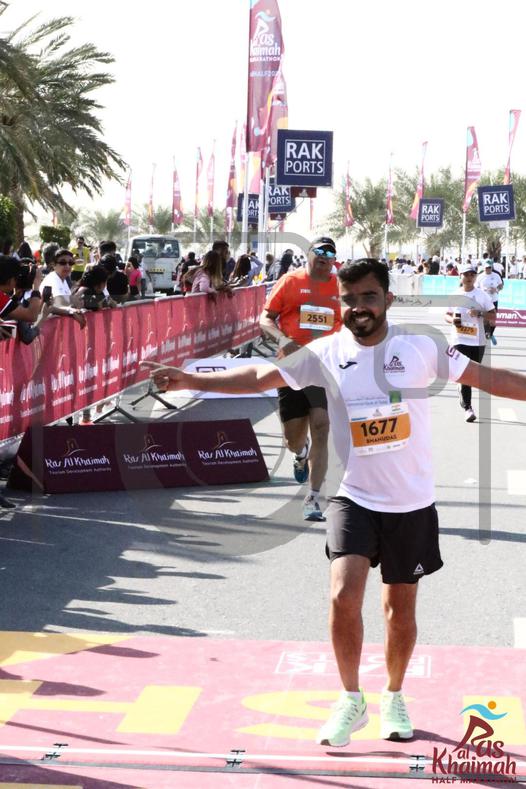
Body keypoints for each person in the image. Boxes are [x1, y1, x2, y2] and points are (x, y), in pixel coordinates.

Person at [142, 256, 526, 747]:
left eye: (369, 297)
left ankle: (393, 695)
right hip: (353, 496)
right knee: (343, 596)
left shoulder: (421, 347)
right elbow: (260, 378)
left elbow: (487, 377)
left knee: (399, 610)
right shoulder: (325, 351)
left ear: (388, 299)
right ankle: (350, 699)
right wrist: (191, 379)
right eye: (350, 299)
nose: (359, 307)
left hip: (410, 501)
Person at [260, 236, 342, 521]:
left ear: (333, 259)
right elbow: (265, 319)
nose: (324, 256)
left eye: (330, 253)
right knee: (293, 438)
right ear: (309, 254)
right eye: (319, 251)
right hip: (292, 366)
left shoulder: (340, 286)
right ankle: (300, 452)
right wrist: (283, 339)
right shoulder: (290, 281)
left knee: (321, 426)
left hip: (324, 367)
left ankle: (313, 497)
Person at [445, 263, 496, 422]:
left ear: (475, 277)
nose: (469, 277)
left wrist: (479, 313)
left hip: (477, 341)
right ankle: (468, 408)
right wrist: (452, 320)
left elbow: (493, 316)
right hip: (459, 339)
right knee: (465, 374)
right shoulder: (454, 295)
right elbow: (446, 315)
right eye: (466, 274)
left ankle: (461, 387)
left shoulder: (482, 296)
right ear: (460, 276)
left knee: (472, 376)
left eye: (472, 274)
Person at [38, 249, 86, 328]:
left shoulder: (63, 280)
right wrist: (71, 311)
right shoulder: (51, 279)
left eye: (70, 263)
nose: (67, 266)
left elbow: (66, 304)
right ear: (54, 265)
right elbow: (53, 305)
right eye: (63, 263)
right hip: (46, 328)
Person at [475, 260, 503, 345]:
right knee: (485, 320)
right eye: (486, 268)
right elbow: (476, 288)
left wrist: (496, 289)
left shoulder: (496, 275)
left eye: (489, 267)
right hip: (483, 301)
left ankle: (490, 334)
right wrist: (481, 292)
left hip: (493, 300)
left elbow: (501, 285)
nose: (488, 269)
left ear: (491, 267)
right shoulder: (480, 277)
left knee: (493, 321)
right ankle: (486, 334)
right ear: (484, 268)